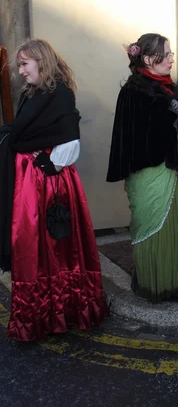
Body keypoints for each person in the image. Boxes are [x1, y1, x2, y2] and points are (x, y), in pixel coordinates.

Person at [0, 39, 108, 342]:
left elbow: (68, 134)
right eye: (19, 65)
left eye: (24, 64)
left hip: (47, 183)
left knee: (53, 246)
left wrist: (53, 165)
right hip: (31, 180)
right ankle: (43, 314)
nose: (20, 71)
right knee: (33, 246)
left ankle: (59, 311)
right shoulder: (32, 93)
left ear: (41, 62)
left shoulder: (58, 93)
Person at [107, 33, 178, 302]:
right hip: (154, 173)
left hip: (176, 171)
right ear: (148, 59)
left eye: (171, 53)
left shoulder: (163, 85)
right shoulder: (134, 91)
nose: (172, 58)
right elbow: (150, 133)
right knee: (160, 229)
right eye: (167, 54)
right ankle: (161, 282)